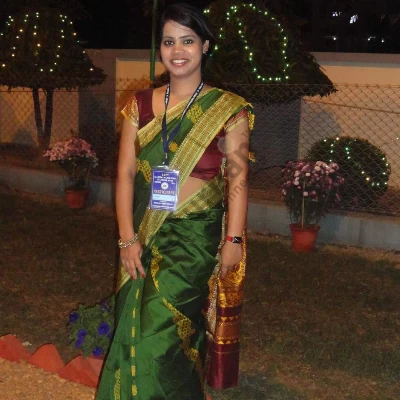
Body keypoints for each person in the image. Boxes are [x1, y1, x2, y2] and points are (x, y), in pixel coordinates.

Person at [96, 3, 254, 399]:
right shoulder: (139, 105)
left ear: (205, 46)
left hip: (195, 238)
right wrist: (127, 238)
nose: (177, 50)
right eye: (169, 42)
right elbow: (125, 174)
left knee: (159, 331)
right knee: (135, 324)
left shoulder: (228, 110)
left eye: (188, 41)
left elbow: (238, 179)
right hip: (144, 230)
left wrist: (233, 240)